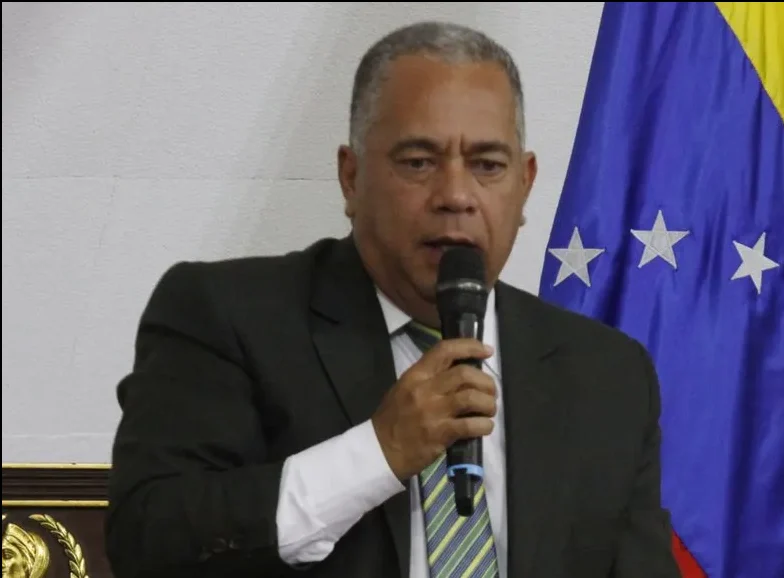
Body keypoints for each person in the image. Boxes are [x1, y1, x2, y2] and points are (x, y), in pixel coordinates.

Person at [104, 20, 680, 578]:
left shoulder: (608, 374)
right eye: (418, 162)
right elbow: (149, 542)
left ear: (524, 184)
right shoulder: (225, 316)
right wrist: (378, 453)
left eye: (487, 165)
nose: (455, 195)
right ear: (351, 178)